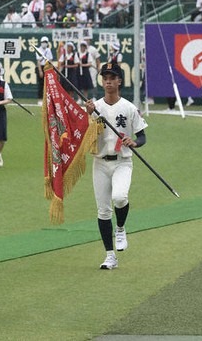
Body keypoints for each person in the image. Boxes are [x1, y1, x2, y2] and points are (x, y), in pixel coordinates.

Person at [84, 61, 148, 270]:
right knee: (103, 211)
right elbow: (86, 135)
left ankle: (120, 228)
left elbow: (142, 136)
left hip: (122, 162)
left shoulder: (129, 108)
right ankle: (110, 255)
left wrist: (134, 142)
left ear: (119, 81)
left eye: (112, 78)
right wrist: (89, 114)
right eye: (105, 78)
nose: (108, 82)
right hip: (100, 162)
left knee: (120, 198)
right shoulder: (95, 107)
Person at [35, 36, 53, 105]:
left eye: (45, 42)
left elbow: (50, 60)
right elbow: (38, 61)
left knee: (48, 84)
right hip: (41, 67)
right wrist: (40, 71)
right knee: (40, 84)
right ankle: (40, 99)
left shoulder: (48, 50)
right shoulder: (38, 49)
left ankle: (47, 99)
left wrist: (50, 69)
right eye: (43, 42)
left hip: (47, 67)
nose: (44, 43)